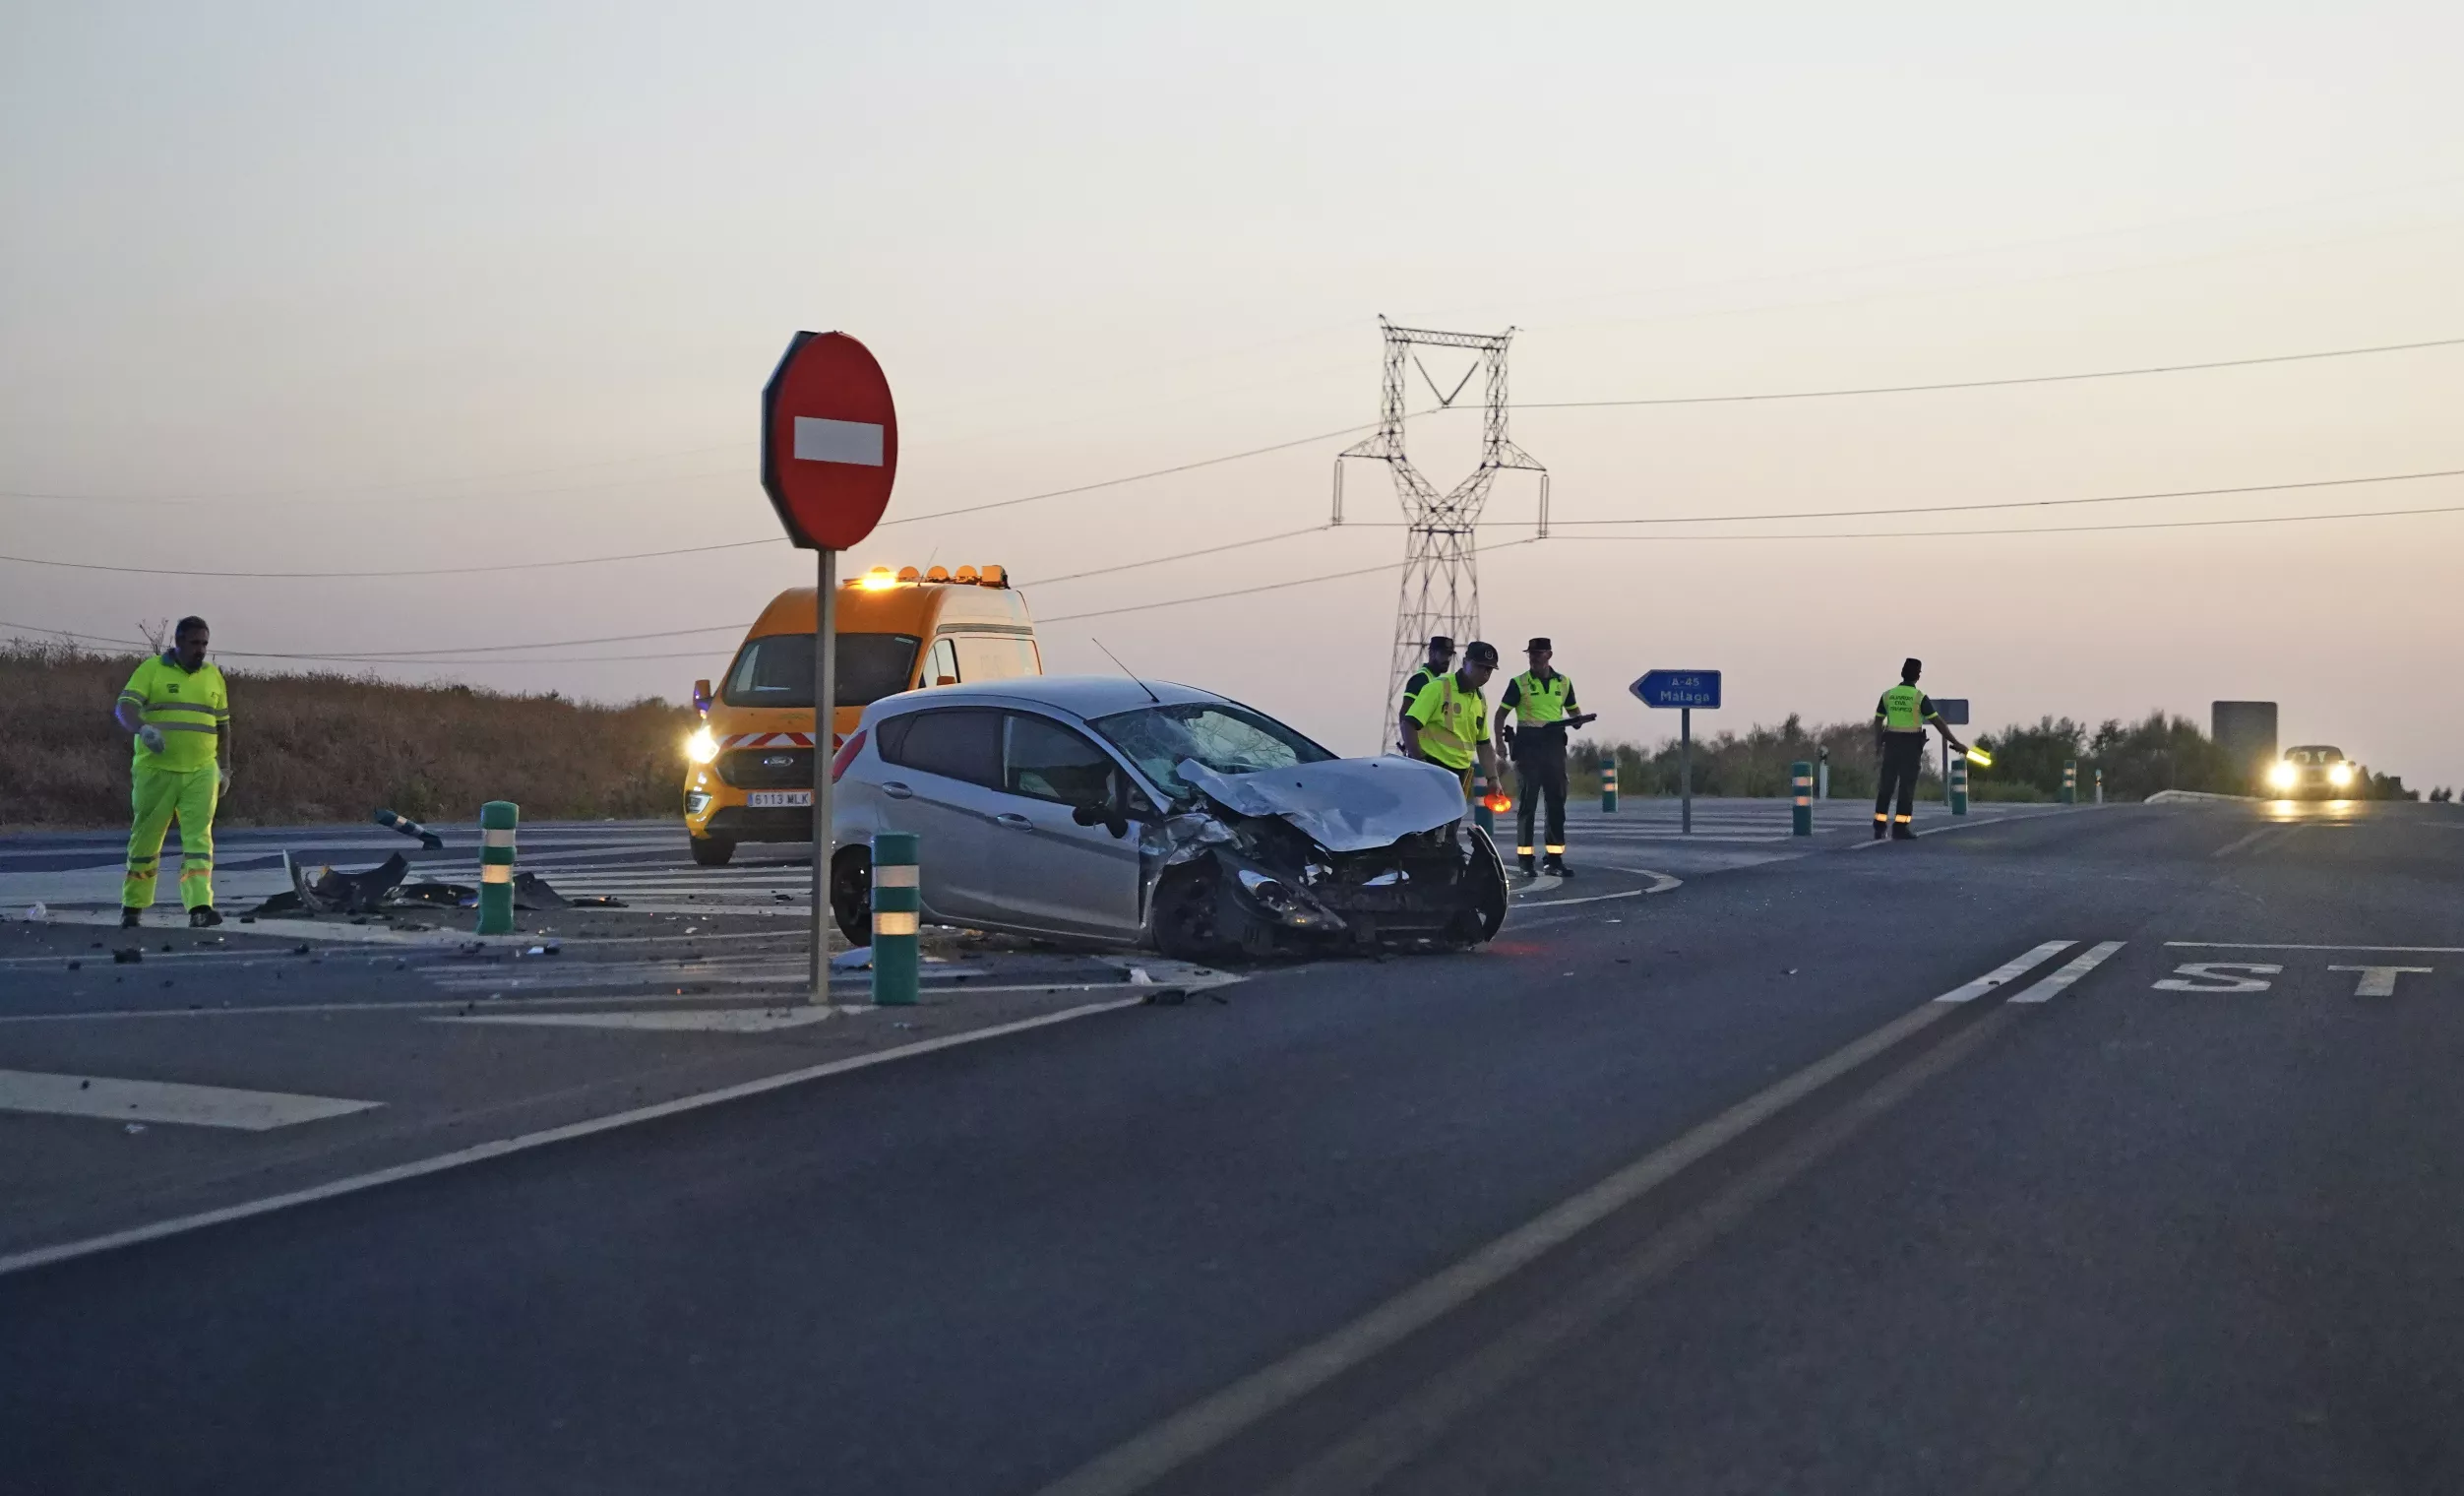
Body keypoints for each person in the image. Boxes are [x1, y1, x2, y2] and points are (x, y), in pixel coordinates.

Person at [115, 617, 230, 927]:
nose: (200, 650)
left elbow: (223, 725)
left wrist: (224, 767)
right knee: (146, 840)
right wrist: (142, 729)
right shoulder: (152, 670)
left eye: (204, 644)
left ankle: (199, 908)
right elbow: (124, 708)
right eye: (194, 643)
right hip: (157, 771)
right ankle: (133, 905)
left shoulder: (213, 676)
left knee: (199, 840)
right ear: (178, 643)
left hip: (201, 771)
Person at [1495, 637, 1596, 877]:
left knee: (1556, 804)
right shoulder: (1518, 683)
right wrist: (1499, 742)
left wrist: (1578, 720)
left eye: (1539, 653)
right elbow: (1500, 714)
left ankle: (1554, 859)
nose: (1534, 657)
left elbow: (1574, 712)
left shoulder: (1563, 683)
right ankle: (1525, 861)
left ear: (1549, 655)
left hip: (1553, 747)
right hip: (1528, 748)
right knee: (1528, 805)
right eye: (1531, 653)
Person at [1873, 656, 1965, 841]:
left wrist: (1878, 743)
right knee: (1906, 788)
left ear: (1902, 673)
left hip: (1891, 745)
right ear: (1918, 676)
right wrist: (1956, 742)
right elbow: (1938, 722)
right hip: (1910, 748)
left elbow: (1877, 720)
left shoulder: (1888, 695)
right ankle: (1900, 827)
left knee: (1886, 787)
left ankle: (1879, 826)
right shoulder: (1919, 697)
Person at [1401, 640, 1500, 799]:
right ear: (1465, 662)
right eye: (1479, 667)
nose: (1485, 673)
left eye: (1489, 669)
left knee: (1451, 824)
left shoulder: (1480, 701)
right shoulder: (1438, 688)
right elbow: (1408, 723)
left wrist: (1493, 779)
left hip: (1460, 774)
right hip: (1433, 768)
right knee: (1432, 822)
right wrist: (1420, 761)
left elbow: (1484, 744)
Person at [1396, 635, 1455, 751]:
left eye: (1449, 655)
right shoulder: (1421, 679)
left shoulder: (1437, 680)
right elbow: (1405, 714)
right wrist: (1412, 748)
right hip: (1422, 752)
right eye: (1443, 654)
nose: (1447, 660)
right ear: (1431, 653)